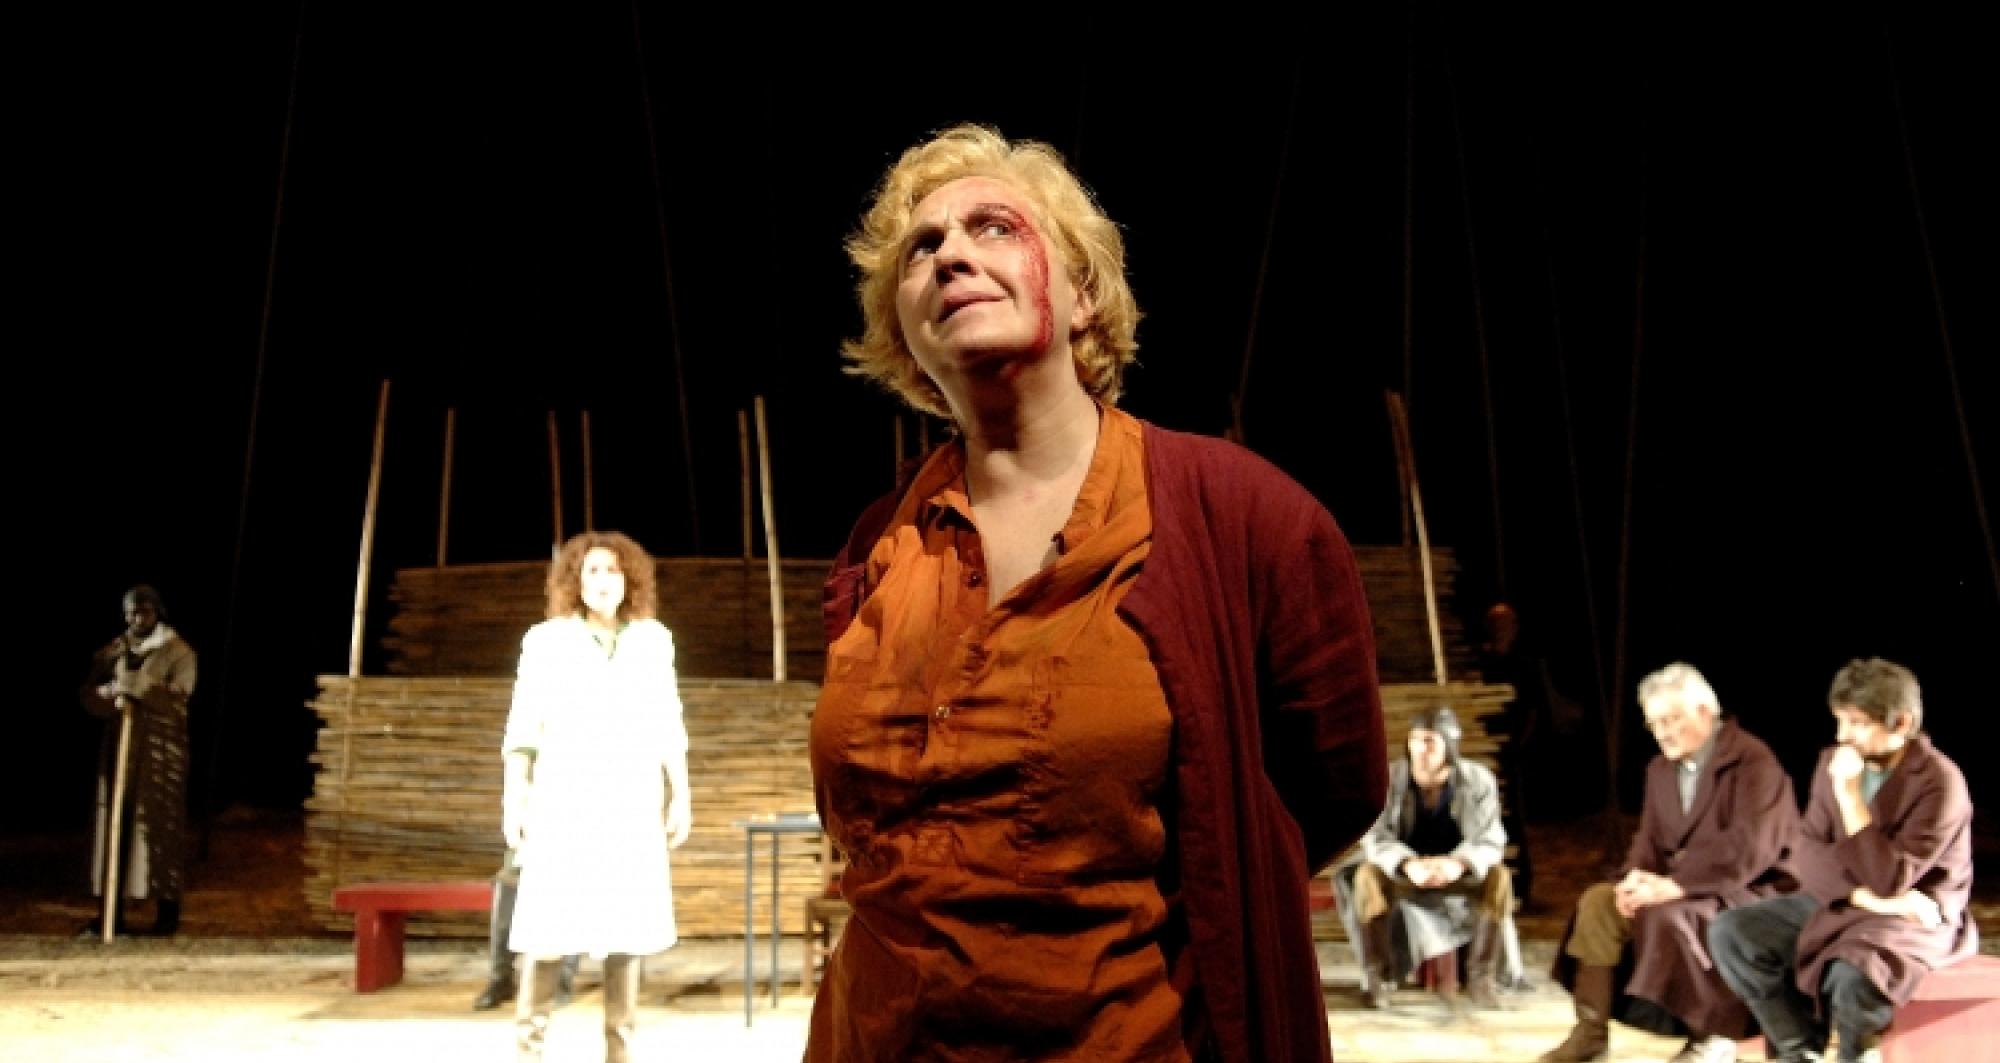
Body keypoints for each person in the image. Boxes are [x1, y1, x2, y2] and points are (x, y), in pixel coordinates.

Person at [808, 124, 1388, 1063]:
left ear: (1083, 295)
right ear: (904, 334)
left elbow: (1327, 788)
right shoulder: (879, 541)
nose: (950, 254)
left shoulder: (1244, 516)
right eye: (922, 249)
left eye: (994, 227)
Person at [1707, 658, 1974, 1063]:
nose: (1842, 735)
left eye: (1857, 723)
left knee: (1854, 971)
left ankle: (1854, 1055)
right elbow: (1808, 852)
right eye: (1839, 721)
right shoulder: (1834, 761)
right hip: (1849, 901)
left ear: (1901, 723)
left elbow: (1891, 878)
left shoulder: (1939, 782)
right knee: (1733, 932)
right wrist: (1867, 900)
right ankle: (1799, 1051)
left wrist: (1850, 798)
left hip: (1915, 916)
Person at [1540, 662, 1799, 1063]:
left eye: (1671, 719)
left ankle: (1711, 1036)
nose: (1662, 733)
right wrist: (1632, 880)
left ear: (1705, 712)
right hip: (1682, 885)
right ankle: (1591, 1033)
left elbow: (1750, 847)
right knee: (1598, 903)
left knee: (1672, 916)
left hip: (1748, 888)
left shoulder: (1753, 762)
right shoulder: (1660, 770)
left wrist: (1675, 885)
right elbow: (1649, 840)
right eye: (1654, 724)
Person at [501, 531, 692, 1063]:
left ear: (629, 579)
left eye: (612, 570)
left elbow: (668, 722)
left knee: (626, 925)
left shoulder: (653, 640)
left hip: (631, 800)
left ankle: (619, 1051)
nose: (603, 581)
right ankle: (529, 1048)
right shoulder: (546, 642)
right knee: (547, 926)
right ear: (575, 581)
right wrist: (515, 797)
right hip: (565, 800)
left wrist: (681, 794)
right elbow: (524, 726)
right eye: (592, 571)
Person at [1333, 705, 1523, 1013]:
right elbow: (1374, 835)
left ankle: (1481, 977)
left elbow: (1490, 838)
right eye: (1416, 740)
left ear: (1449, 744)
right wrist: (1408, 864)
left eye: (1431, 741)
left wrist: (1458, 864)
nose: (1422, 750)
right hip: (1405, 871)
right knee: (1366, 877)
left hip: (1456, 871)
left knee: (1498, 877)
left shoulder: (1477, 780)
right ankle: (1378, 977)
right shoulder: (1391, 779)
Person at [78, 584, 197, 937]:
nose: (136, 619)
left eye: (142, 611)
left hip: (160, 750)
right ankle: (111, 913)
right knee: (113, 825)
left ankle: (167, 912)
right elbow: (89, 690)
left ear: (156, 611)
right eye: (130, 612)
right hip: (119, 750)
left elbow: (179, 696)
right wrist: (104, 694)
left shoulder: (177, 651)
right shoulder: (115, 649)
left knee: (159, 825)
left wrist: (135, 685)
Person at [470, 851, 580, 1010]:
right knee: (507, 890)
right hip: (525, 853)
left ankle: (562, 981)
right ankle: (501, 979)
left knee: (568, 901)